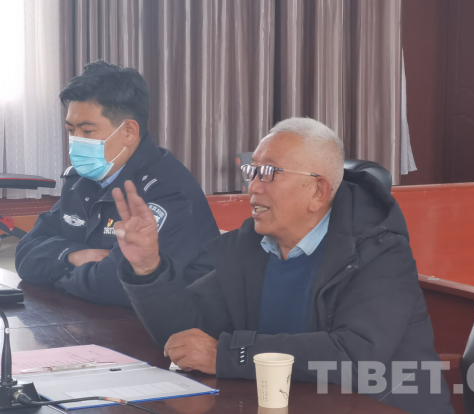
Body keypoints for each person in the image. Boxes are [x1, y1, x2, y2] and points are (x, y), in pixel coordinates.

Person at [113, 118, 452, 413]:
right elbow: (186, 334)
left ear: (318, 191)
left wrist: (232, 356)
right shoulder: (254, 246)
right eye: (252, 171)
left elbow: (355, 357)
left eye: (269, 173)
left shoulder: (380, 251)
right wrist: (147, 268)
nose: (253, 186)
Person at [15, 60, 220, 307]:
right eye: (71, 130)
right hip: (88, 316)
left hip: (167, 325)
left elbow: (116, 286)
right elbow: (24, 256)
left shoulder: (168, 192)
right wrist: (73, 256)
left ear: (129, 132)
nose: (76, 141)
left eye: (87, 131)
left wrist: (57, 273)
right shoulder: (81, 180)